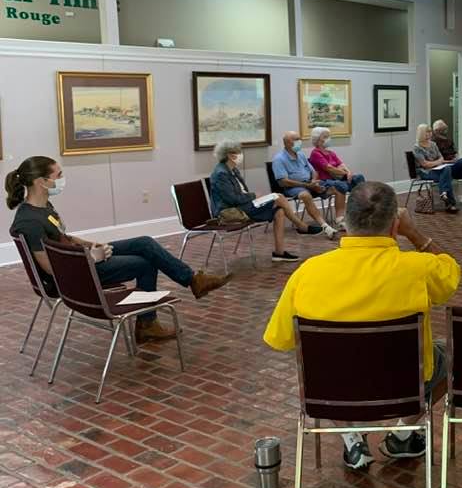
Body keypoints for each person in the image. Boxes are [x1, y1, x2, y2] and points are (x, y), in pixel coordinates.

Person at [263, 182, 460, 469]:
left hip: (333, 388)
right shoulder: (419, 268)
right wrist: (414, 233)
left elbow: (280, 339)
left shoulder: (307, 272)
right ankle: (403, 432)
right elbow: (451, 273)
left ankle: (351, 440)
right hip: (404, 385)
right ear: (395, 225)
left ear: (346, 222)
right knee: (457, 352)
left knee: (317, 363)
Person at [6, 156, 231, 343]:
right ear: (41, 182)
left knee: (144, 243)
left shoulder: (43, 207)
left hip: (80, 260)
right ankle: (147, 324)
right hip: (74, 277)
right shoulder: (29, 222)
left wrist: (89, 245)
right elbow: (53, 268)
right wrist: (92, 259)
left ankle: (193, 280)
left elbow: (63, 238)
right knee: (145, 264)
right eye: (58, 175)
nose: (62, 179)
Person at [210, 141, 326, 263]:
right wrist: (254, 196)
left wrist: (253, 197)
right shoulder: (221, 174)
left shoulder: (233, 170)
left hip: (243, 206)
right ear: (230, 155)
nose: (240, 155)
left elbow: (240, 195)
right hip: (231, 211)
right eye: (238, 152)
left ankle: (279, 253)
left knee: (279, 211)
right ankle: (302, 226)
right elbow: (233, 199)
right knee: (278, 197)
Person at [272, 131, 341, 235]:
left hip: (310, 183)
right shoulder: (279, 159)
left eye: (299, 139)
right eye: (295, 140)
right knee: (305, 195)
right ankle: (325, 226)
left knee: (338, 188)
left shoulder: (300, 155)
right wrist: (307, 185)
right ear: (286, 143)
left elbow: (313, 171)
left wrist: (313, 182)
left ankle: (340, 220)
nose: (299, 142)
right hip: (293, 187)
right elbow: (283, 182)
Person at [308, 127, 366, 203]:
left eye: (329, 136)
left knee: (359, 177)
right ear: (317, 140)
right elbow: (329, 168)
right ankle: (353, 205)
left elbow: (341, 164)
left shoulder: (331, 153)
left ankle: (362, 203)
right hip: (325, 181)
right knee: (342, 185)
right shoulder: (315, 153)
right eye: (325, 137)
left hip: (337, 178)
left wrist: (348, 172)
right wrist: (345, 173)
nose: (328, 139)